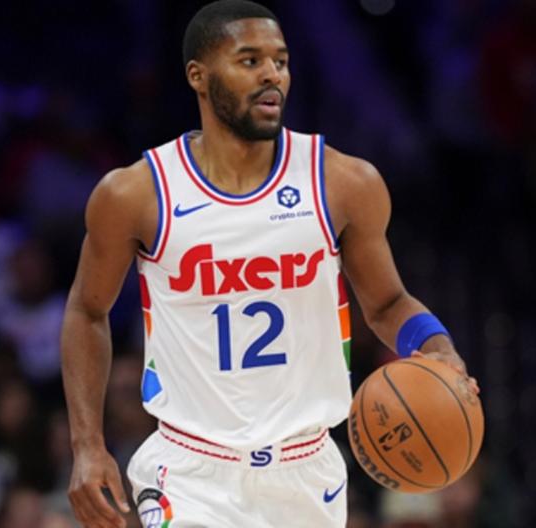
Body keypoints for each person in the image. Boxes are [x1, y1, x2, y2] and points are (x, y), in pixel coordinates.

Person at [60, 2, 478, 527]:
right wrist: (87, 445)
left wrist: (437, 347)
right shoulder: (136, 193)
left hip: (307, 471)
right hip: (190, 472)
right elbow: (87, 311)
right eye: (250, 60)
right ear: (198, 75)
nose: (271, 75)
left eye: (280, 61)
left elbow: (388, 303)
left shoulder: (343, 183)